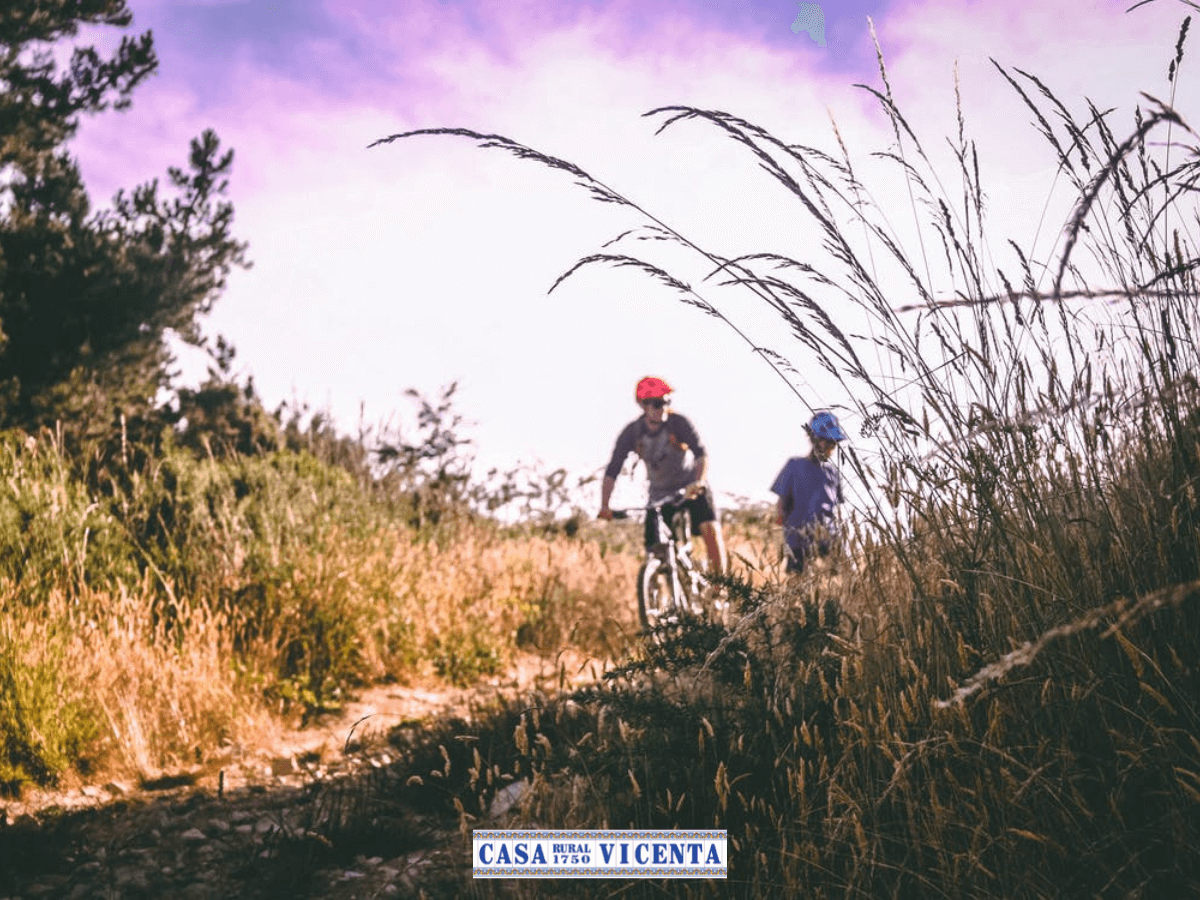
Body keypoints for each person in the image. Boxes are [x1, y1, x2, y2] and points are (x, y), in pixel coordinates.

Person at [597, 376, 727, 577]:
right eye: (658, 403)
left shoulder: (678, 423)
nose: (663, 408)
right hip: (660, 494)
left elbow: (701, 454)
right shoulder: (633, 433)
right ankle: (661, 593)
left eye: (667, 402)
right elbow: (612, 470)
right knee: (655, 548)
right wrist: (605, 506)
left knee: (710, 529)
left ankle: (721, 586)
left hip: (690, 486)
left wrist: (699, 482)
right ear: (643, 405)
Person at [770, 410, 847, 575]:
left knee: (837, 583)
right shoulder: (794, 466)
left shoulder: (833, 473)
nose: (831, 447)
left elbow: (837, 511)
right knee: (797, 583)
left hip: (828, 540)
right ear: (814, 440)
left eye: (834, 443)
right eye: (826, 442)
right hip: (798, 541)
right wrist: (780, 543)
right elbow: (780, 509)